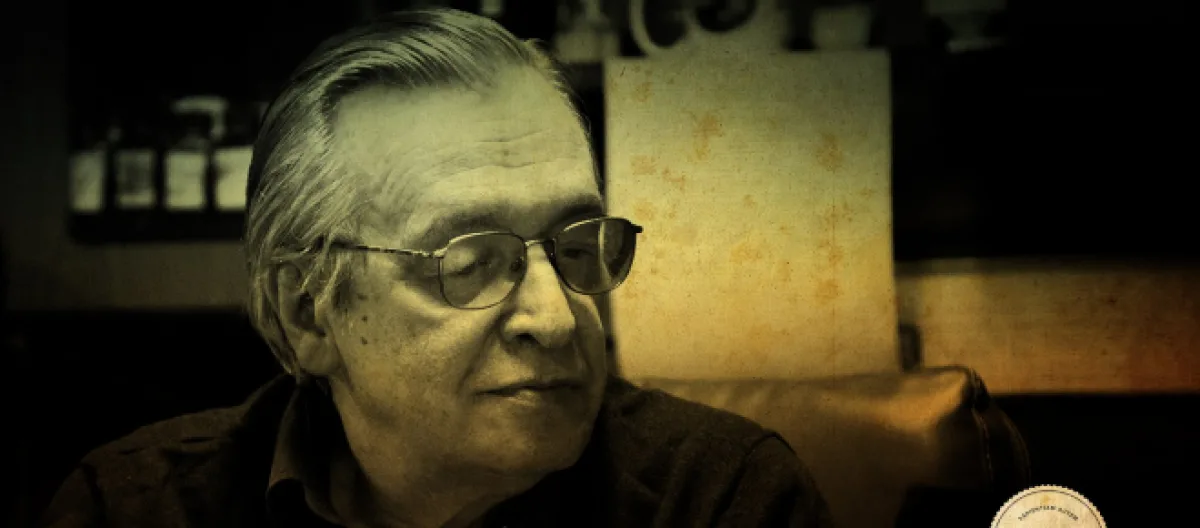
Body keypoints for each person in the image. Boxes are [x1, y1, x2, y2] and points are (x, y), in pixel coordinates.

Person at [40, 8, 835, 528]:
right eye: (470, 262)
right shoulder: (135, 510)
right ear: (307, 313)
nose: (557, 318)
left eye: (574, 246)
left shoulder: (722, 499)